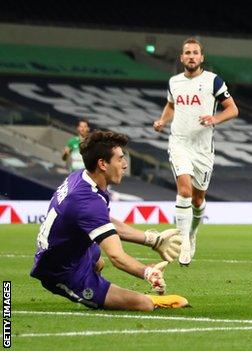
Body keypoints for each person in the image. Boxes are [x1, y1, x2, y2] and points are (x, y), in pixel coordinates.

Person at [31, 130, 188, 311]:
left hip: (73, 251)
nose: (125, 165)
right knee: (143, 305)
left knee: (98, 260)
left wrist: (152, 240)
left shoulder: (81, 178)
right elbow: (117, 257)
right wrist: (148, 273)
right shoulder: (88, 202)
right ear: (102, 164)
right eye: (120, 159)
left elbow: (103, 221)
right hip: (62, 271)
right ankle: (91, 291)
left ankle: (98, 286)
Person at [153, 37, 239, 266]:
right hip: (179, 142)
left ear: (202, 57)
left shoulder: (213, 81)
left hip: (203, 148)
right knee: (184, 189)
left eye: (195, 53)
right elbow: (171, 105)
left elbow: (232, 109)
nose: (191, 56)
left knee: (198, 199)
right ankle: (183, 242)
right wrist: (162, 121)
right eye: (187, 53)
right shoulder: (174, 82)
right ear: (181, 58)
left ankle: (191, 232)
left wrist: (215, 118)